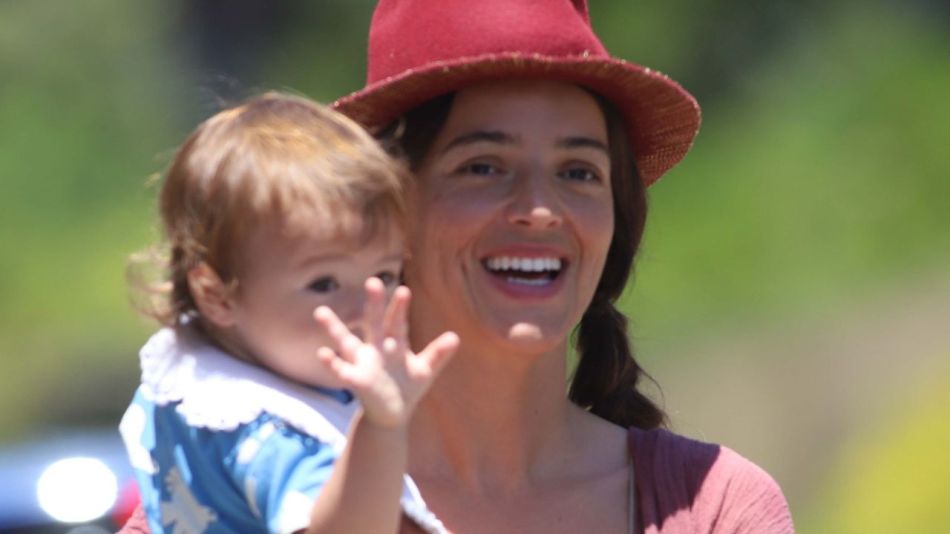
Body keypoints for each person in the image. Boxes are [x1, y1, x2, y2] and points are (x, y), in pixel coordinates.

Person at [121, 0, 794, 532]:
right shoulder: (220, 493)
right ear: (384, 211)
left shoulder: (716, 509)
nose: (540, 210)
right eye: (483, 166)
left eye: (579, 172)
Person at [119, 92, 458, 533]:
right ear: (217, 295)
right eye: (324, 284)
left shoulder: (189, 377)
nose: (365, 310)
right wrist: (381, 427)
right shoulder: (273, 433)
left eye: (385, 275)